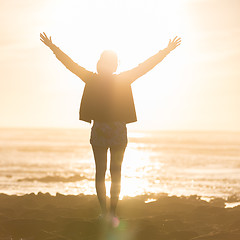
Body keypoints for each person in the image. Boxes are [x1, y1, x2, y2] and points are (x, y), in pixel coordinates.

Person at [40, 32, 181, 225]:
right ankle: (107, 213)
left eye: (109, 63)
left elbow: (146, 66)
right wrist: (52, 47)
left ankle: (109, 213)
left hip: (110, 131)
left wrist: (165, 51)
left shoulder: (100, 78)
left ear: (110, 65)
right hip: (108, 130)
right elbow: (69, 64)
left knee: (112, 173)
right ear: (104, 64)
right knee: (106, 173)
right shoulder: (105, 78)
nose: (107, 65)